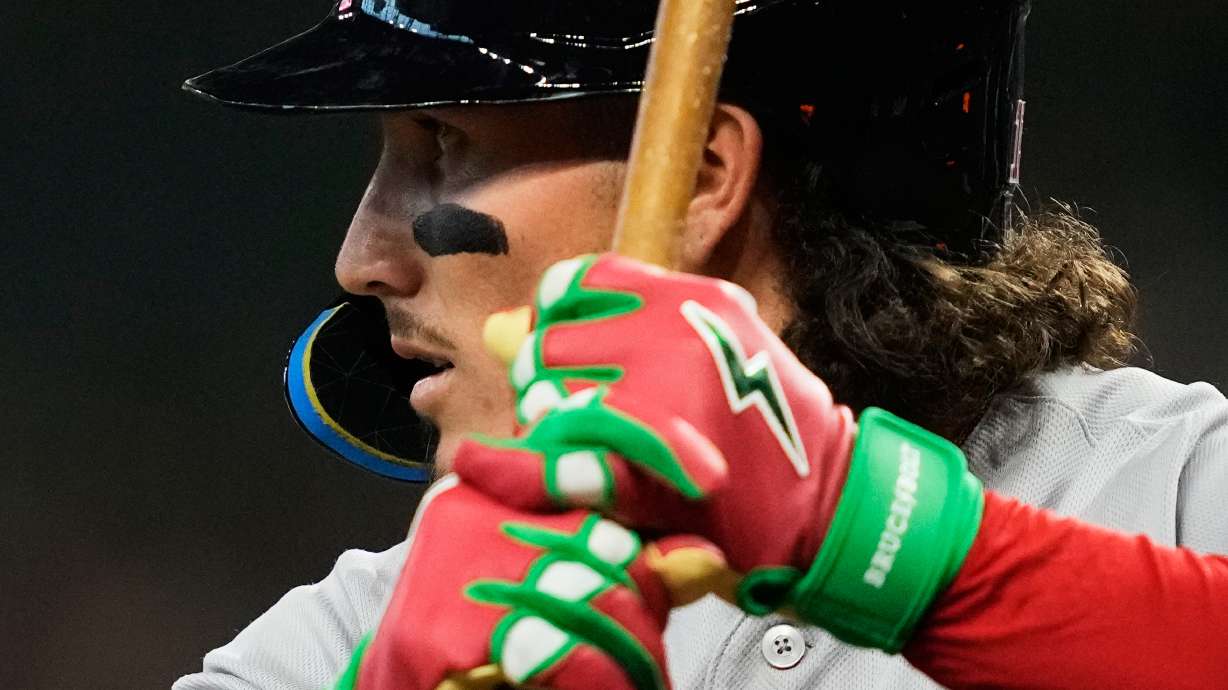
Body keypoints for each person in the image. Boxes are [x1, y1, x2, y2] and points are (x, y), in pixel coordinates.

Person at [175, 1, 1228, 688]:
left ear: (698, 179)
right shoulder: (347, 643)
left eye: (442, 146)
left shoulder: (1170, 487)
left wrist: (871, 535)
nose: (362, 258)